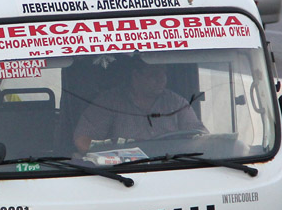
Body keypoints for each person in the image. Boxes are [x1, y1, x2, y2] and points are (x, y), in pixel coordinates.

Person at [73, 56, 204, 152]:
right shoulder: (110, 102)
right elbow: (82, 140)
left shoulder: (176, 102)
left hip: (172, 167)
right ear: (136, 76)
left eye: (163, 73)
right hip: (125, 171)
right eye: (154, 74)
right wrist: (108, 156)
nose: (161, 79)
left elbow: (199, 136)